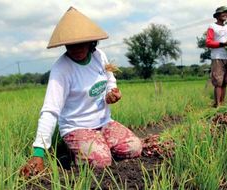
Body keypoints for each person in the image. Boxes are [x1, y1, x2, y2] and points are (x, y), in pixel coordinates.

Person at [20, 7, 142, 177]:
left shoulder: (100, 56)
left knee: (134, 148)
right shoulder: (61, 69)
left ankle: (98, 143)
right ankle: (71, 153)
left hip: (104, 122)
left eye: (81, 44)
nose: (76, 48)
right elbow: (50, 110)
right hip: (76, 127)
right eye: (71, 44)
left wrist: (111, 92)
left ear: (91, 42)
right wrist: (38, 153)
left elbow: (110, 78)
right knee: (101, 161)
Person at [206, 6, 227, 107]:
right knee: (218, 82)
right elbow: (208, 42)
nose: (225, 14)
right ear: (217, 15)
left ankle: (223, 104)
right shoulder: (212, 26)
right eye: (222, 13)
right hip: (217, 57)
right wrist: (222, 44)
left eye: (226, 13)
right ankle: (217, 105)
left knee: (225, 82)